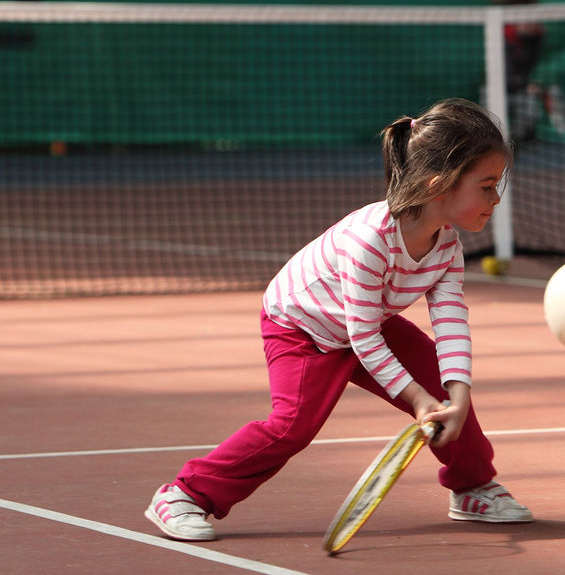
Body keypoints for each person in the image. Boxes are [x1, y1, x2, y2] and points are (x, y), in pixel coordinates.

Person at [144, 98, 533, 542]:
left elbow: (450, 323)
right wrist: (419, 400)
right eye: (486, 186)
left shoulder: (446, 245)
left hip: (365, 321)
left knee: (445, 393)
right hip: (302, 326)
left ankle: (472, 489)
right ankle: (183, 495)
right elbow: (363, 338)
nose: (495, 198)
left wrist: (456, 395)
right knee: (291, 426)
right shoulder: (369, 241)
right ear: (440, 185)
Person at [482, 0, 549, 144]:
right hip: (496, 88)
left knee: (531, 112)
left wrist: (536, 83)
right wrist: (525, 84)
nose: (525, 21)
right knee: (490, 124)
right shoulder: (503, 35)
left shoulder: (536, 38)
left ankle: (512, 145)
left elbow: (541, 65)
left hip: (520, 92)